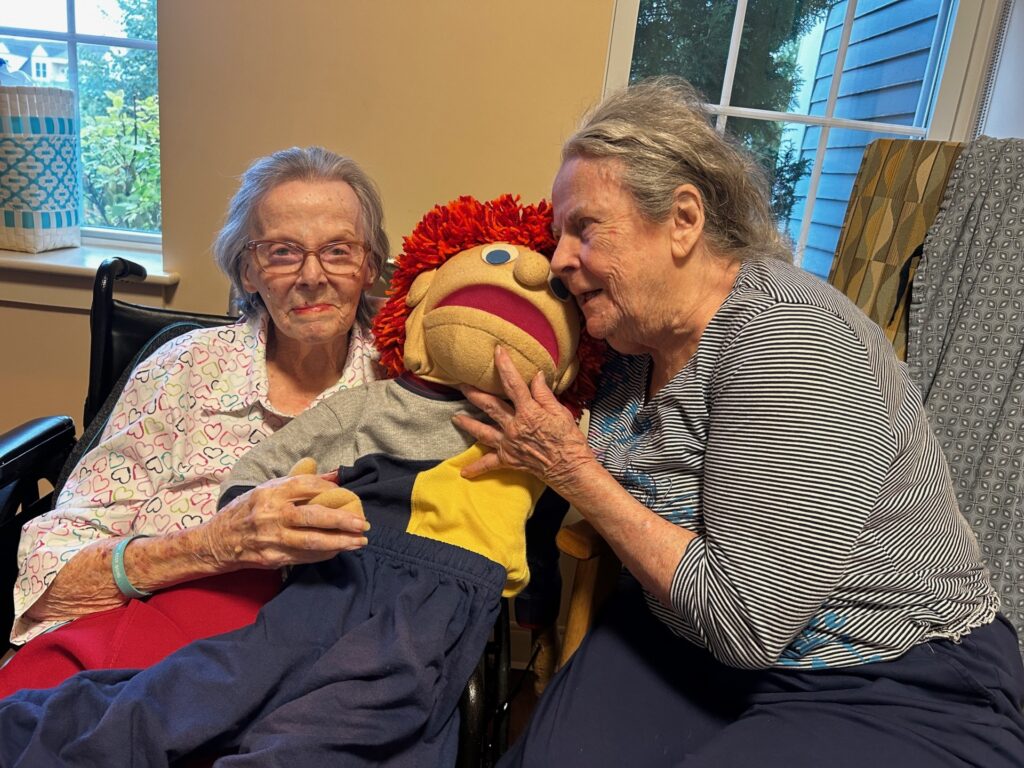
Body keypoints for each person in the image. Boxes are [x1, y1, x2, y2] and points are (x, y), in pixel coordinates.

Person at [453, 76, 1024, 767]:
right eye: (556, 233)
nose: (559, 259)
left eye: (583, 228)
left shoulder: (790, 340)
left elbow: (747, 619)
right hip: (686, 637)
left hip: (888, 670)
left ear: (684, 221)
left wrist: (573, 470)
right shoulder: (632, 340)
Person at [3, 146, 385, 691]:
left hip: (311, 673)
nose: (312, 276)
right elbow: (55, 572)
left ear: (369, 267)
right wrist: (210, 546)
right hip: (128, 648)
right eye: (282, 252)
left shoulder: (404, 385)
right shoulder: (182, 367)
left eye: (339, 250)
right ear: (248, 270)